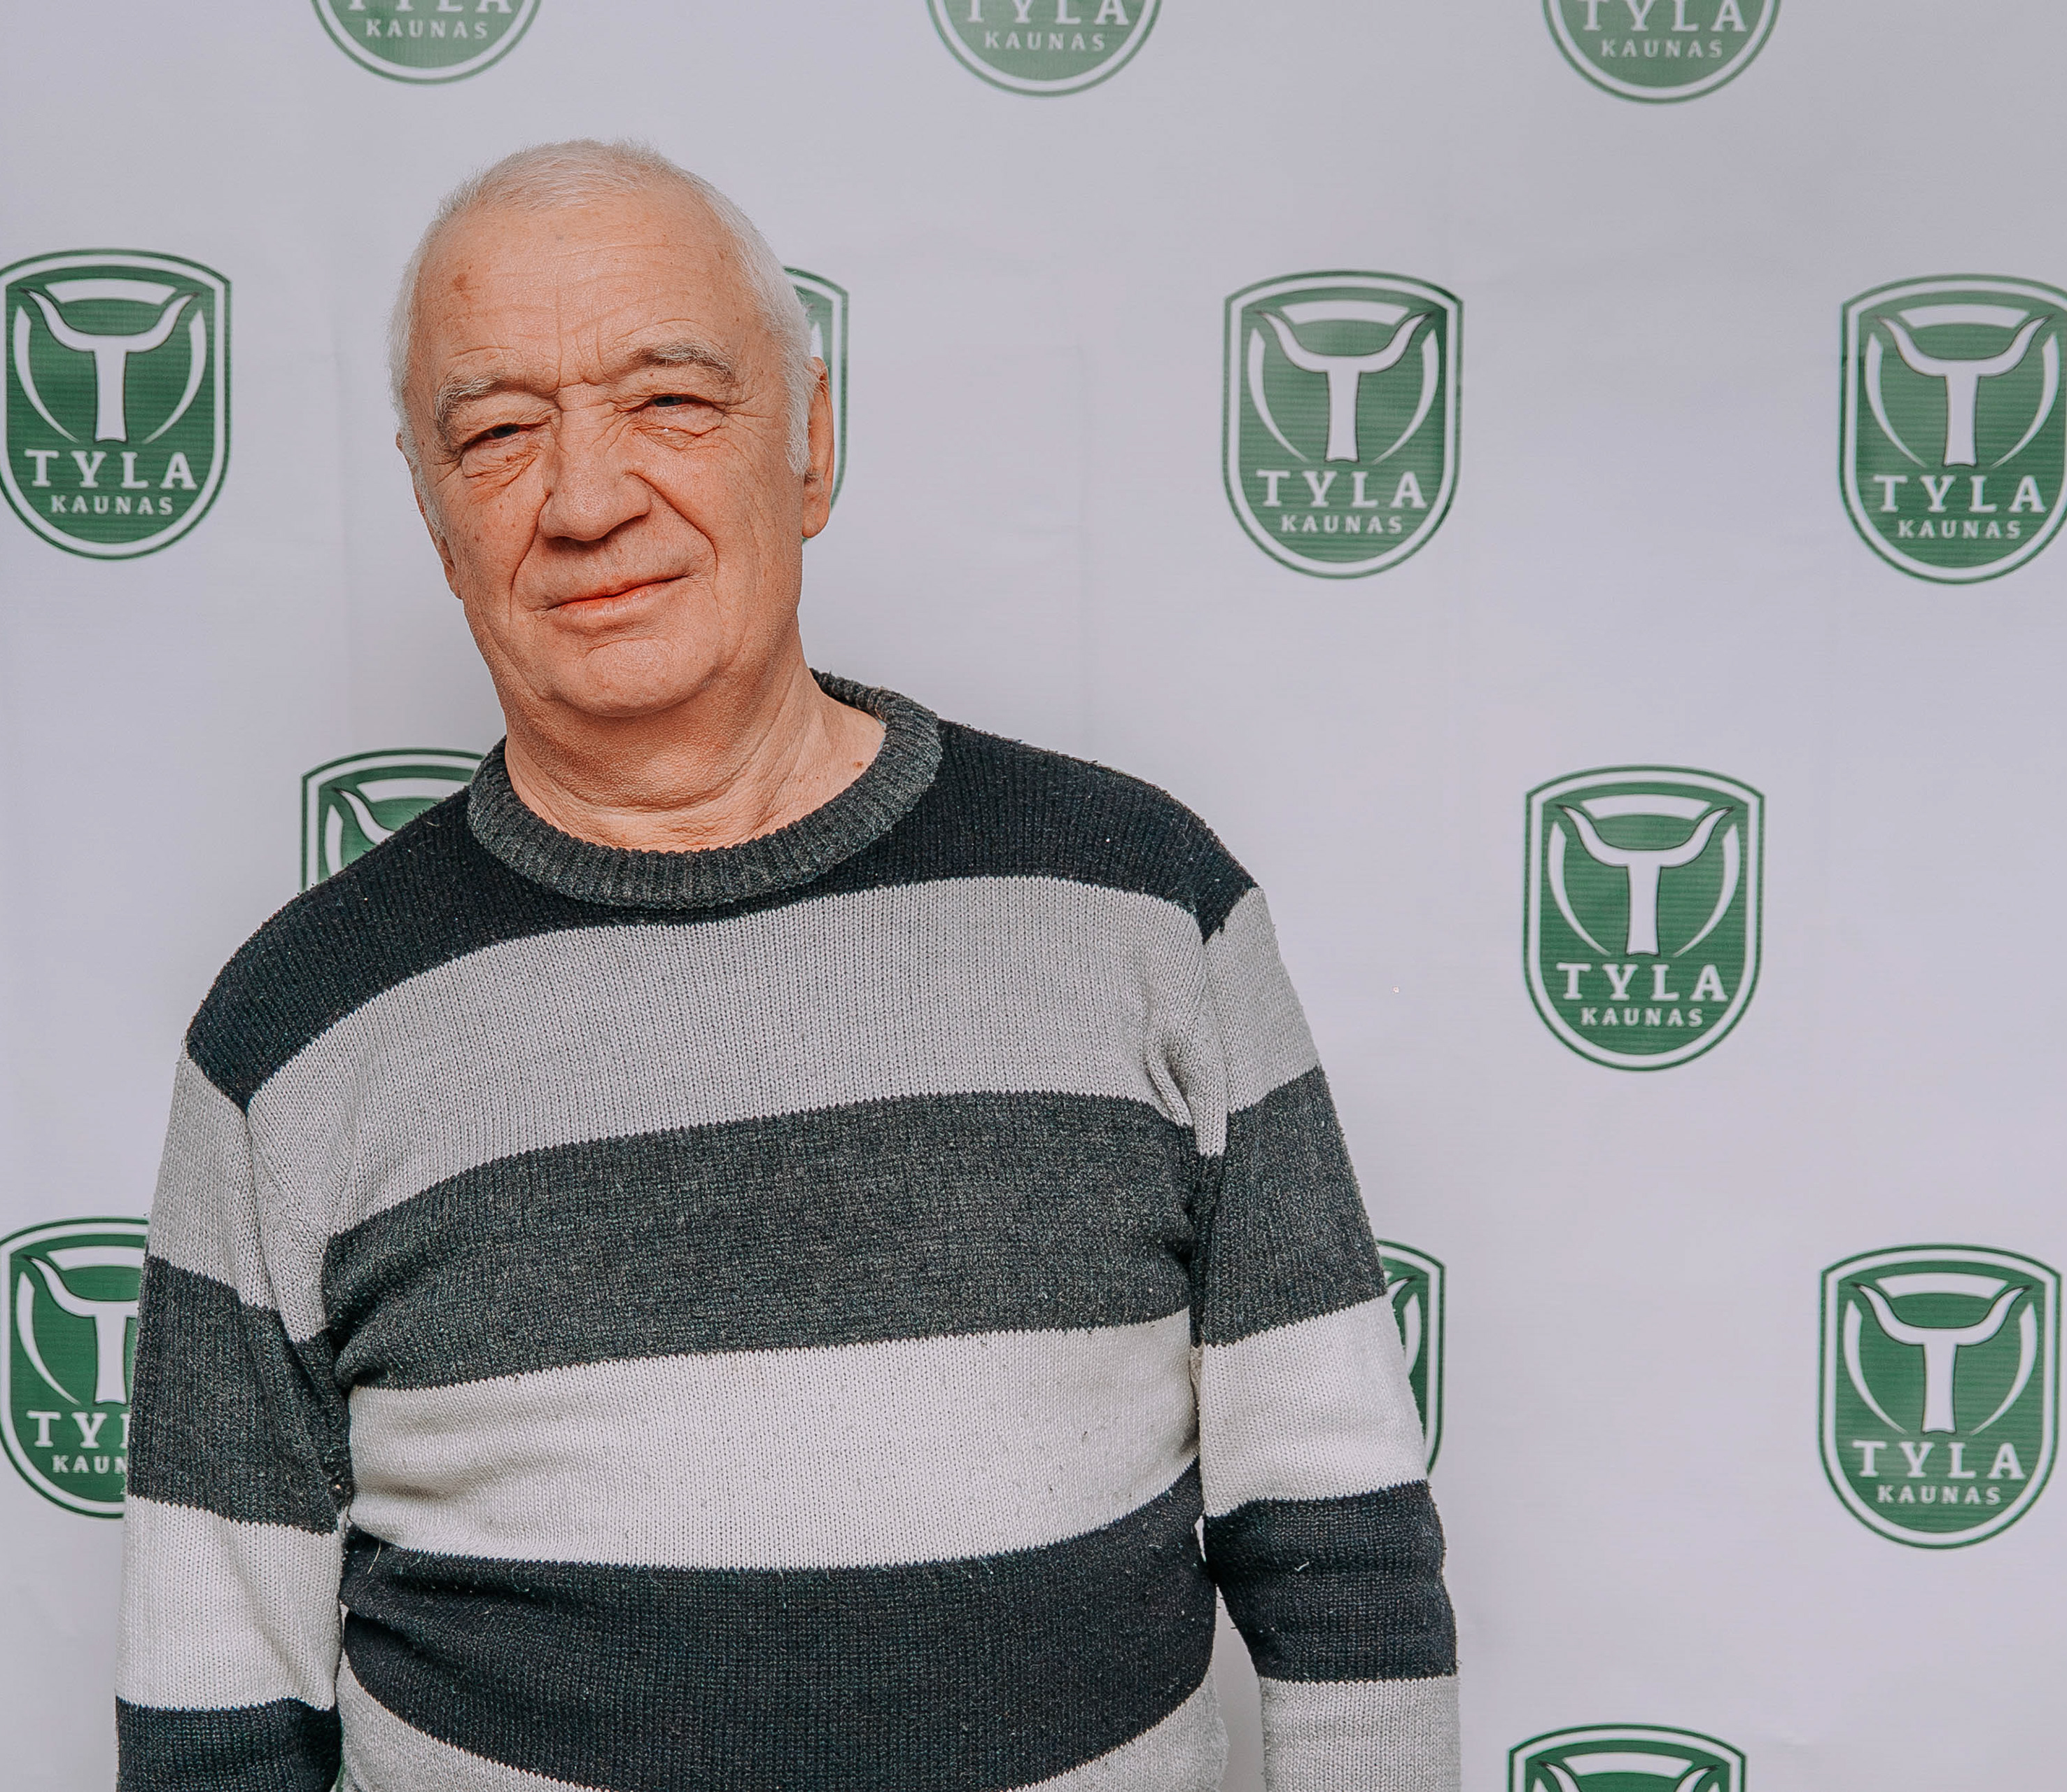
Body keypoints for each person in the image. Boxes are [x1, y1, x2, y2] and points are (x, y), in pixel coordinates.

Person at [114, 139, 1458, 1792]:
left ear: (810, 441)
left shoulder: (1143, 909)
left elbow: (1346, 1563)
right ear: (433, 512)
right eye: (499, 433)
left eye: (670, 403)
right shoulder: (292, 1035)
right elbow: (214, 1710)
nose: (587, 499)